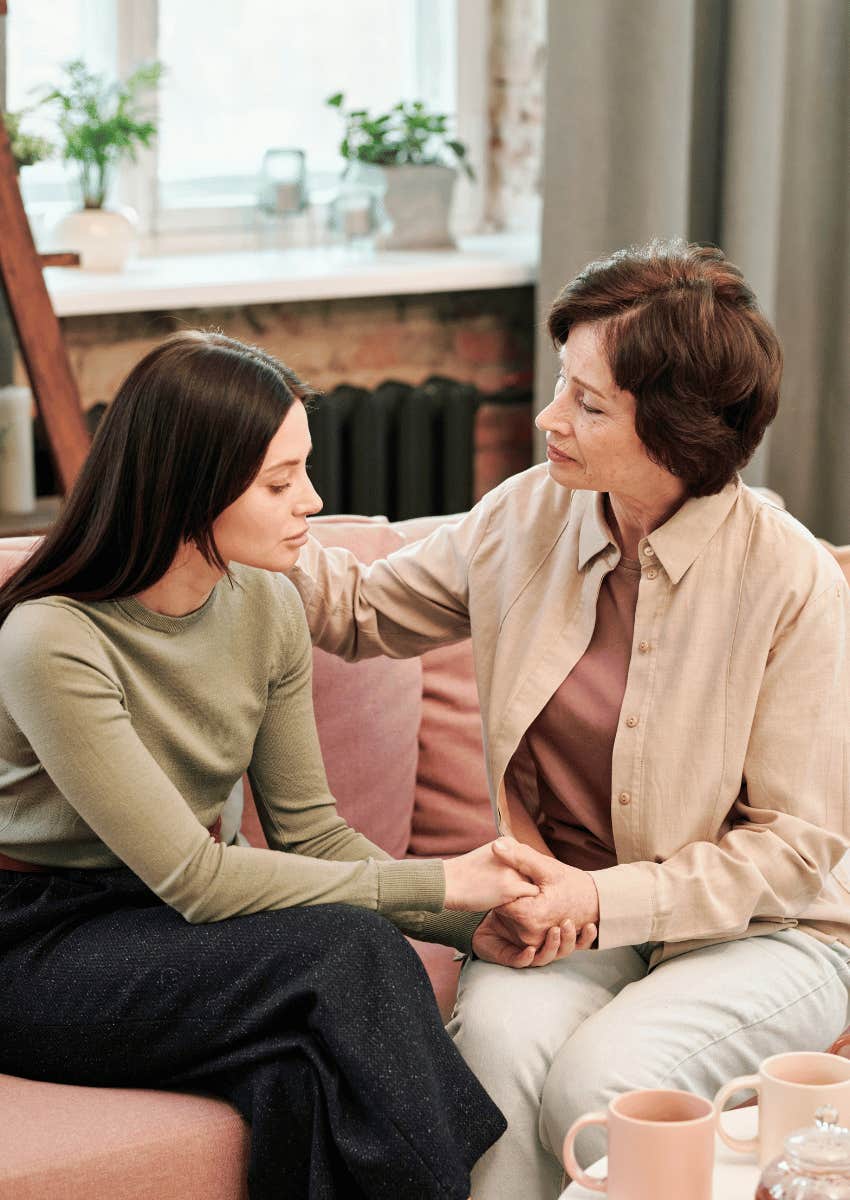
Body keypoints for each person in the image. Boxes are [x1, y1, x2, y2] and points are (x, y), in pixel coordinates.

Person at [289, 239, 850, 1199]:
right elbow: (359, 609)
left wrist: (597, 902)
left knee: (602, 1082)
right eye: (563, 383)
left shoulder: (790, 581)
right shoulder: (527, 516)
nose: (550, 417)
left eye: (589, 404)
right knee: (496, 1058)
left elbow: (795, 850)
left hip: (768, 931)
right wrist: (215, 514)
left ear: (676, 433)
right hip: (569, 913)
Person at [0, 330, 554, 1200]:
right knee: (350, 952)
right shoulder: (50, 640)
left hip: (173, 931)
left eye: (304, 472)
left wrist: (470, 926)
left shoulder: (266, 605)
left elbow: (311, 833)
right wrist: (445, 882)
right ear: (189, 485)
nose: (313, 501)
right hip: (37, 944)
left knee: (303, 1076)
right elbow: (196, 879)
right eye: (279, 481)